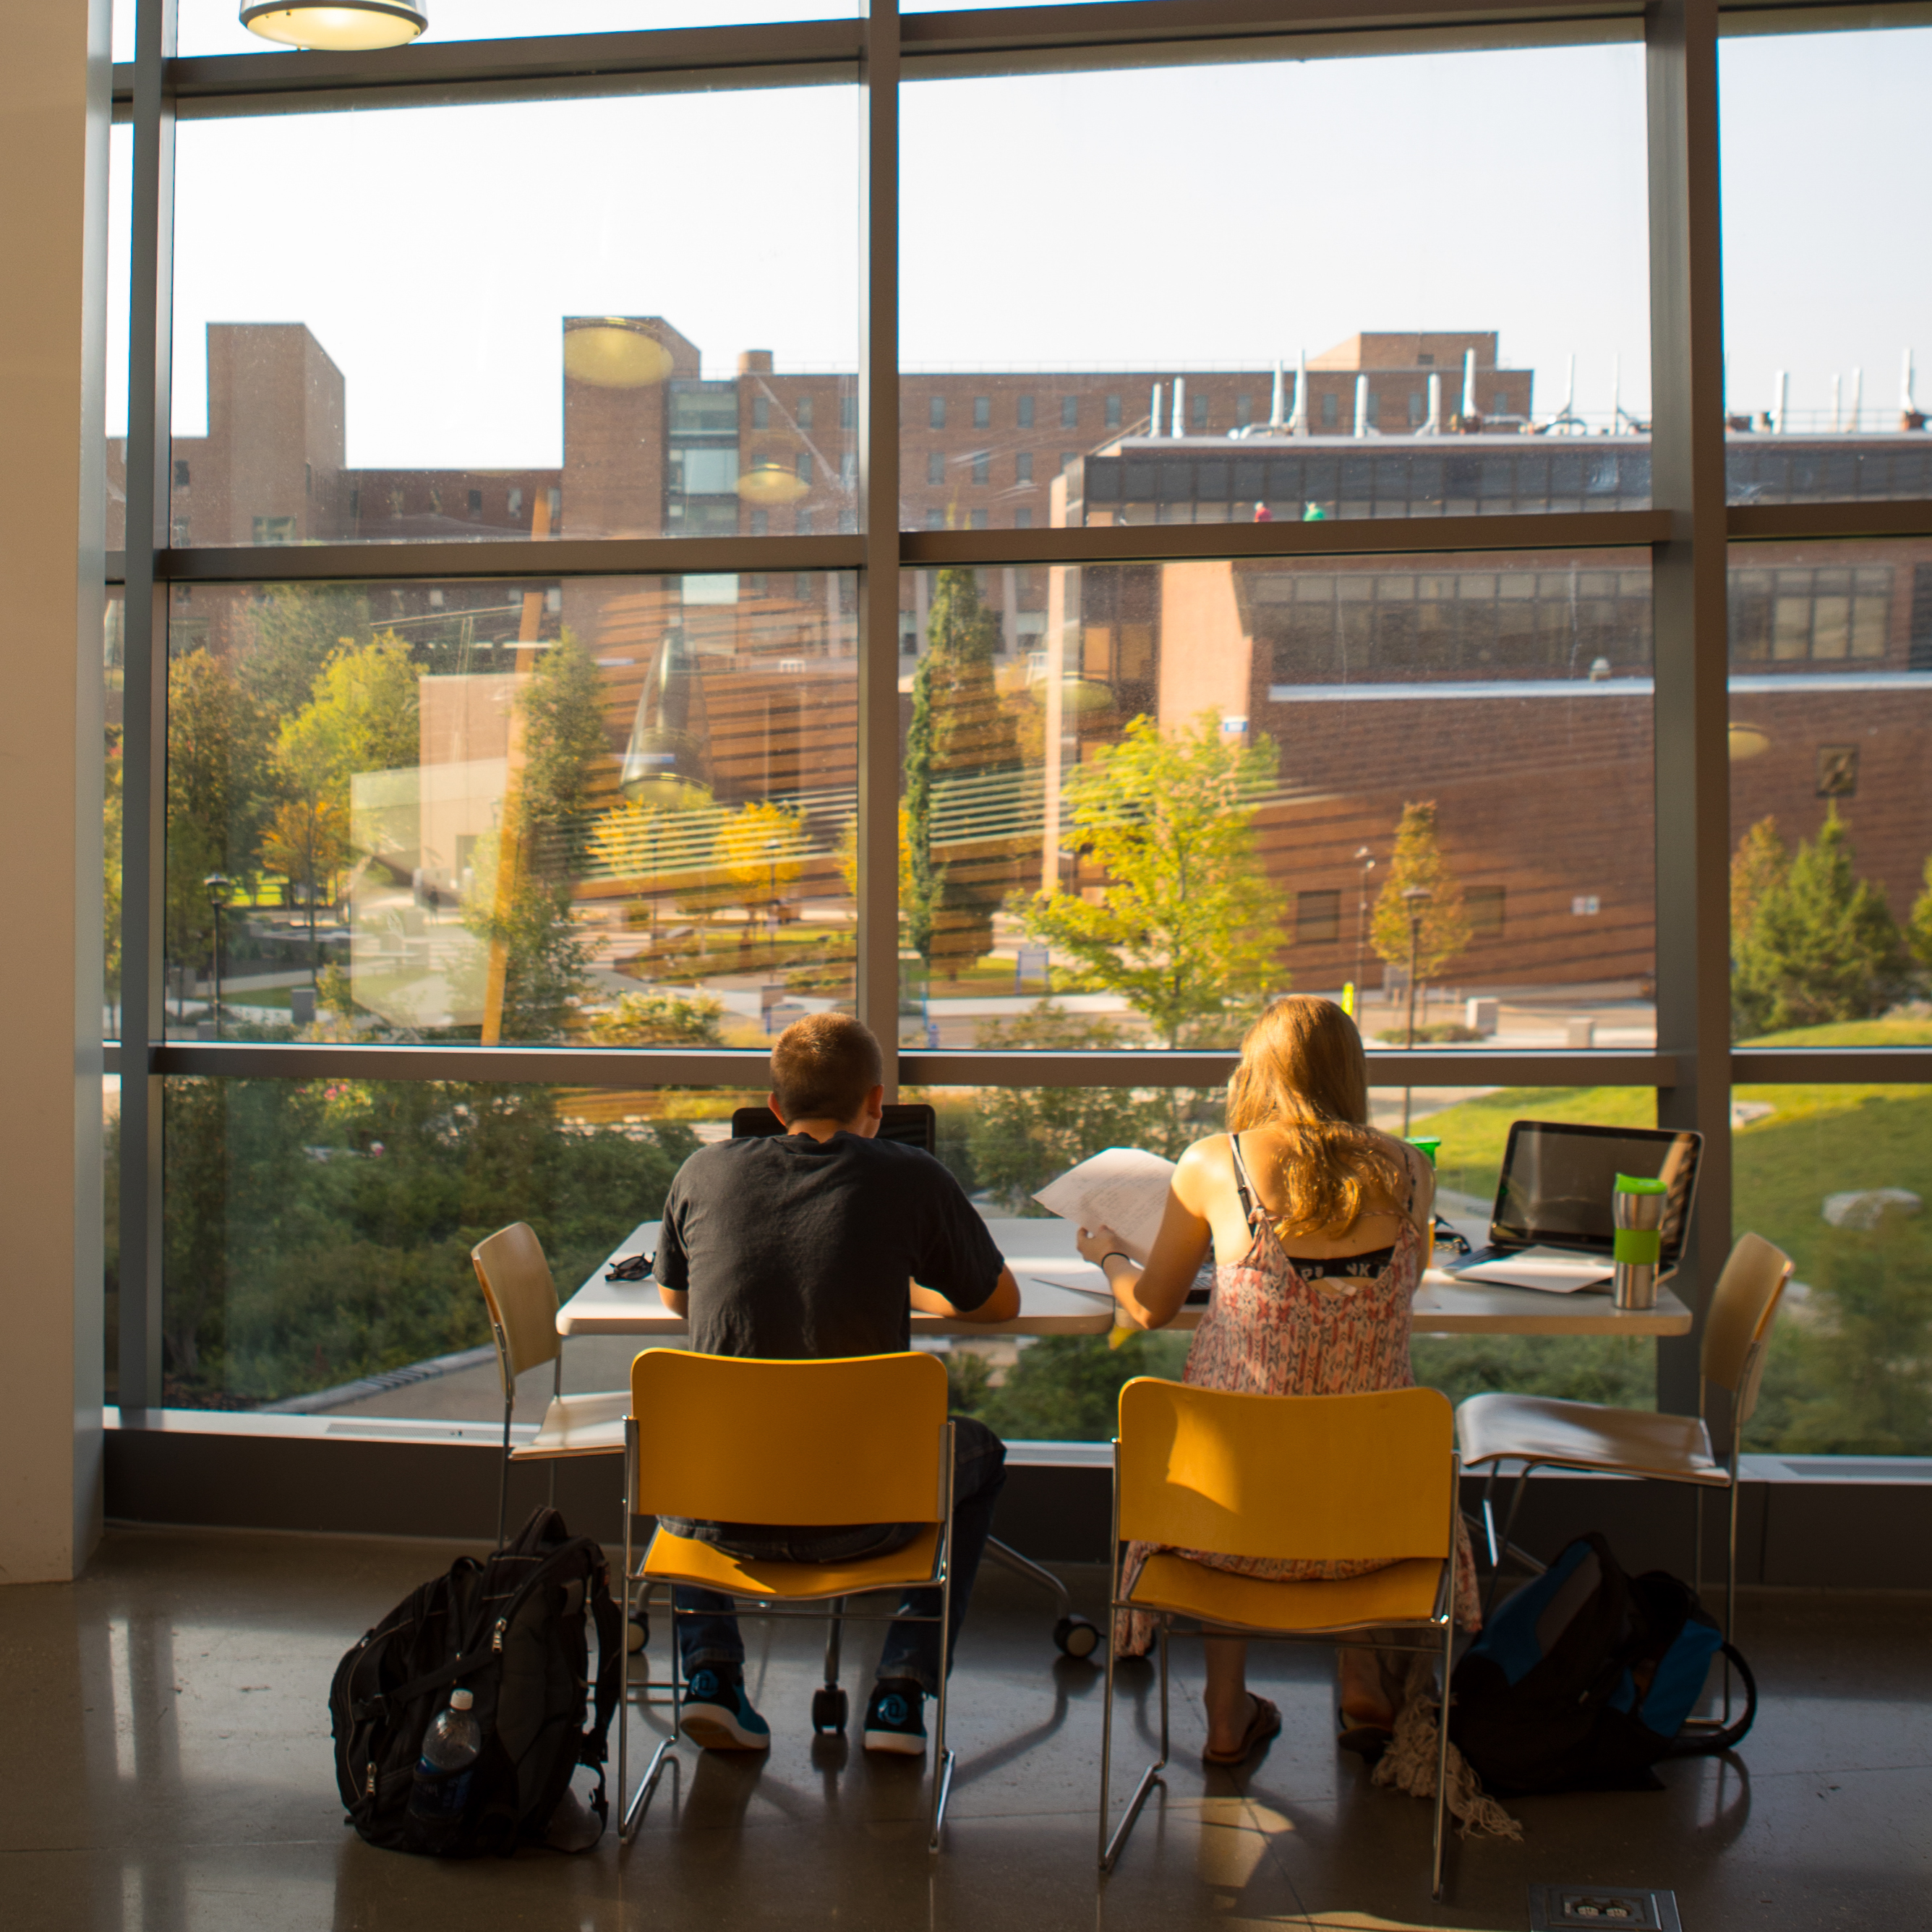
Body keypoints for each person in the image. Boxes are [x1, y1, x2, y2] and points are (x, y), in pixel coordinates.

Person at [1074, 994, 1481, 1767]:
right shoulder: (1409, 1168)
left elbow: (1153, 1308)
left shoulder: (1211, 1162)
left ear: (1255, 1069)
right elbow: (1404, 1283)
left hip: (1228, 1524)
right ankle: (1361, 1683)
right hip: (1375, 1526)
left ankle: (1226, 1716)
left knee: (1239, 1435)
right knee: (1341, 1424)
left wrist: (1107, 1255)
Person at [651, 1012, 1020, 1757]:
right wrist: (909, 1288)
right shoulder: (911, 1175)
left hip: (722, 1516)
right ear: (875, 1105)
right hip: (868, 1513)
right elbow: (998, 1303)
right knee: (980, 1450)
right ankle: (900, 1687)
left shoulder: (703, 1170)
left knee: (685, 1436)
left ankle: (711, 1676)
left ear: (776, 1106)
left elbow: (675, 1300)